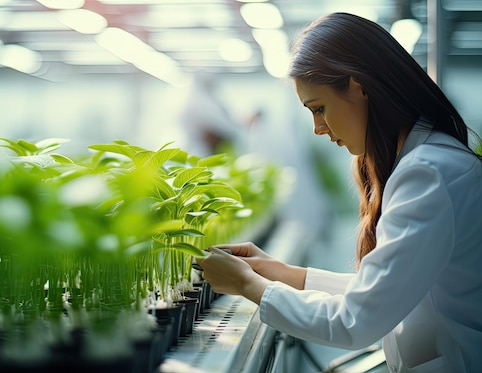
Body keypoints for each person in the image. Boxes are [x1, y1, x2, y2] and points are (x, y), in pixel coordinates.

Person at [196, 12, 482, 373]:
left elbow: (355, 320)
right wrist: (281, 272)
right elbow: (382, 289)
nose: (318, 128)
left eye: (319, 108)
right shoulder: (428, 161)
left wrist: (247, 283)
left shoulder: (427, 173)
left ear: (359, 86)